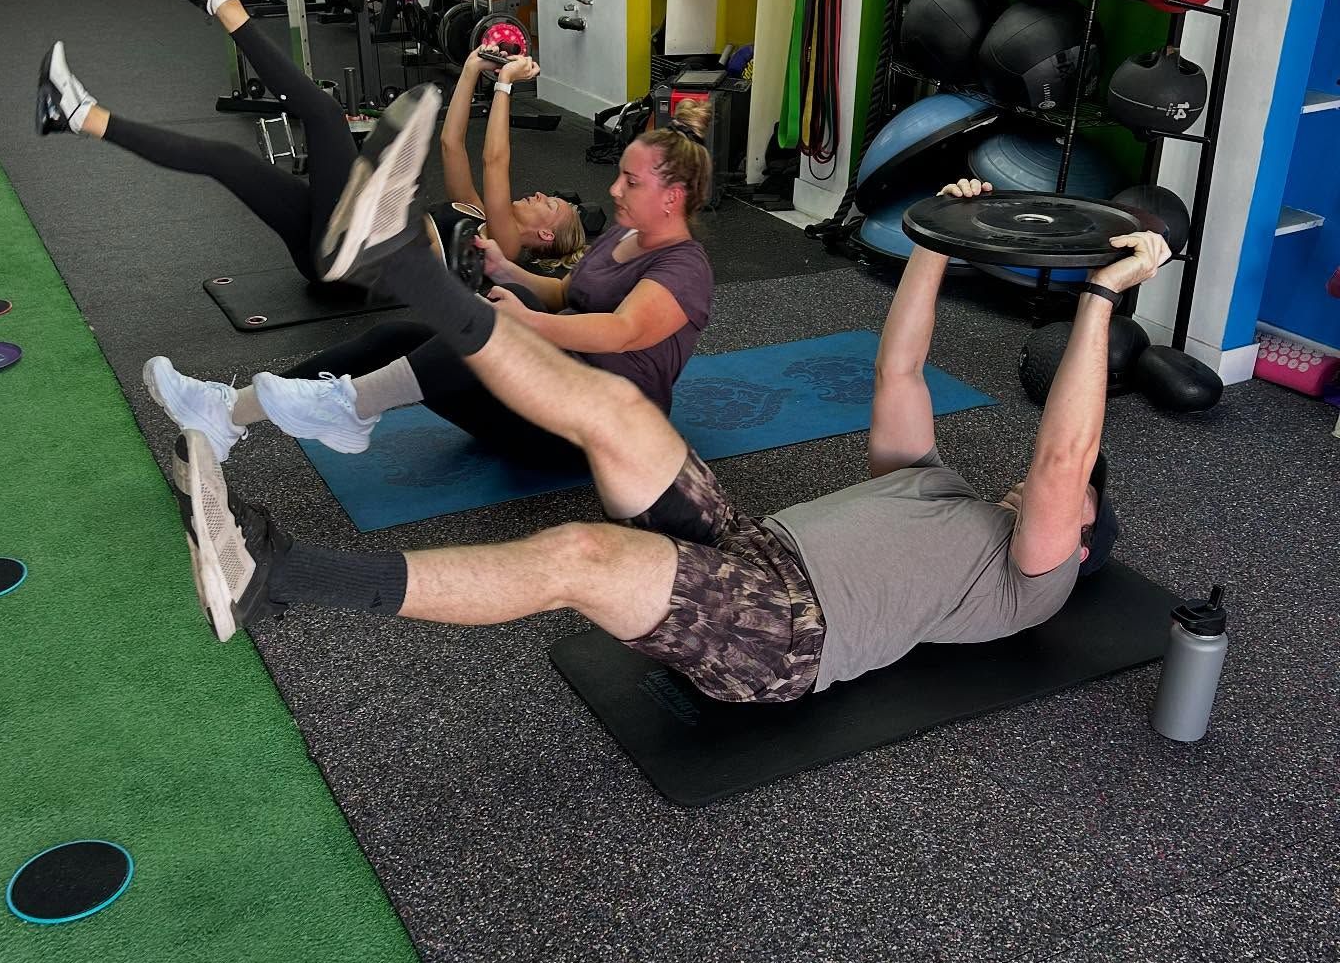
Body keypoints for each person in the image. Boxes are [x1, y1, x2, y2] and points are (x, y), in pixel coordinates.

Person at [167, 104, 1166, 695]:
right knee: (620, 413)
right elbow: (899, 369)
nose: (1047, 494)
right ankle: (402, 267)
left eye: (1075, 505)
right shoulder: (936, 487)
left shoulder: (1036, 577)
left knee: (581, 557)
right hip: (755, 541)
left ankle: (277, 577)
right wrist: (939, 239)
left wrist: (1098, 302)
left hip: (790, 632)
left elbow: (1063, 460)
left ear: (1082, 537)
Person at [140, 93, 716, 466]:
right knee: (396, 338)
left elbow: (620, 330)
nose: (614, 190)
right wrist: (506, 269)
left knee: (493, 329)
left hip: (593, 432)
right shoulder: (621, 235)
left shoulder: (684, 270)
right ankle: (226, 412)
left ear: (674, 197)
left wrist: (526, 323)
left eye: (631, 183)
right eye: (619, 176)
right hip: (546, 392)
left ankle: (348, 404)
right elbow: (569, 294)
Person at [33, 0, 591, 291]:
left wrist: (506, 87)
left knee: (324, 115)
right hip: (334, 251)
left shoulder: (509, 247)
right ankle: (78, 114)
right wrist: (474, 67)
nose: (544, 195)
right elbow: (452, 143)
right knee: (233, 162)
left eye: (553, 208)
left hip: (357, 260)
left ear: (546, 239)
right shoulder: (473, 213)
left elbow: (496, 161)